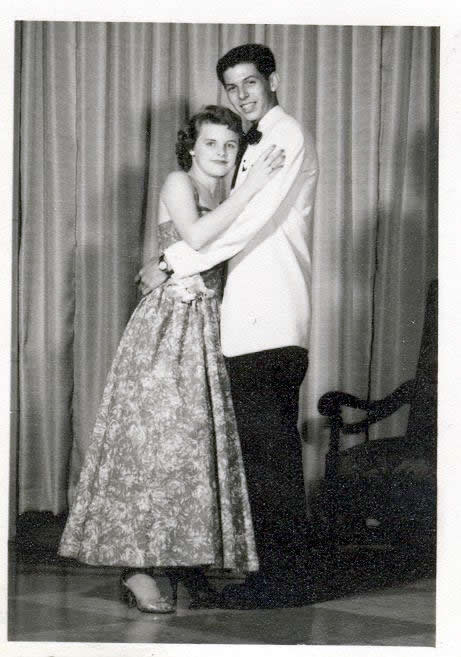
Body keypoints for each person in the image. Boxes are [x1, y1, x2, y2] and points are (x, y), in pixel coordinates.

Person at [58, 105, 285, 613]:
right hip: (169, 325)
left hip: (207, 324)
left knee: (192, 452)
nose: (222, 154)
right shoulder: (178, 182)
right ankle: (137, 569)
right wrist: (249, 191)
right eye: (211, 144)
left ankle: (183, 562)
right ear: (191, 146)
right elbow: (200, 238)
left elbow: (210, 247)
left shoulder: (224, 193)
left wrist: (162, 261)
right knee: (155, 446)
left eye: (230, 145)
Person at [138, 44, 319, 608]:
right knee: (262, 456)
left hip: (272, 314)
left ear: (273, 80)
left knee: (271, 456)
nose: (242, 94)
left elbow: (251, 223)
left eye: (250, 82)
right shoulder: (251, 143)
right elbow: (227, 221)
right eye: (232, 87)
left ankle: (285, 581)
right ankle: (275, 574)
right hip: (246, 319)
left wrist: (169, 263)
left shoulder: (284, 135)